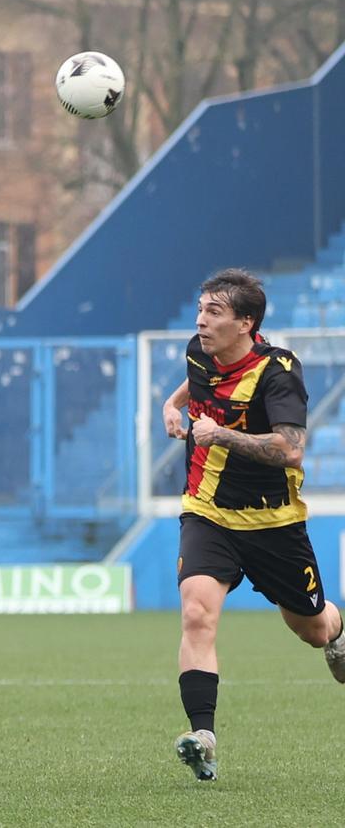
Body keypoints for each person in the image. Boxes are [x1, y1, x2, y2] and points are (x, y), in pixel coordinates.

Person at [162, 268, 345, 781]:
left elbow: (289, 449)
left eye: (214, 312)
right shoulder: (198, 349)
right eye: (200, 309)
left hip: (273, 523)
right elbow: (195, 380)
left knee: (309, 627)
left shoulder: (279, 371)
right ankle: (203, 737)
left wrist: (219, 435)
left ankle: (337, 628)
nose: (201, 320)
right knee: (197, 612)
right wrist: (171, 405)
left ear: (246, 323)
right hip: (206, 510)